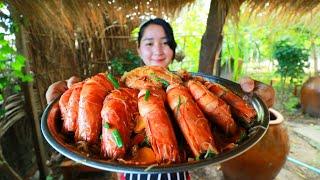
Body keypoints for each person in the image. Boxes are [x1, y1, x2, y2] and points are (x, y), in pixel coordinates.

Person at [46, 18, 275, 180]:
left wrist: (254, 98)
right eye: (149, 43)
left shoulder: (187, 82)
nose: (158, 49)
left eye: (166, 42)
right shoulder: (121, 86)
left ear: (173, 49)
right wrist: (63, 104)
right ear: (138, 49)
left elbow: (247, 116)